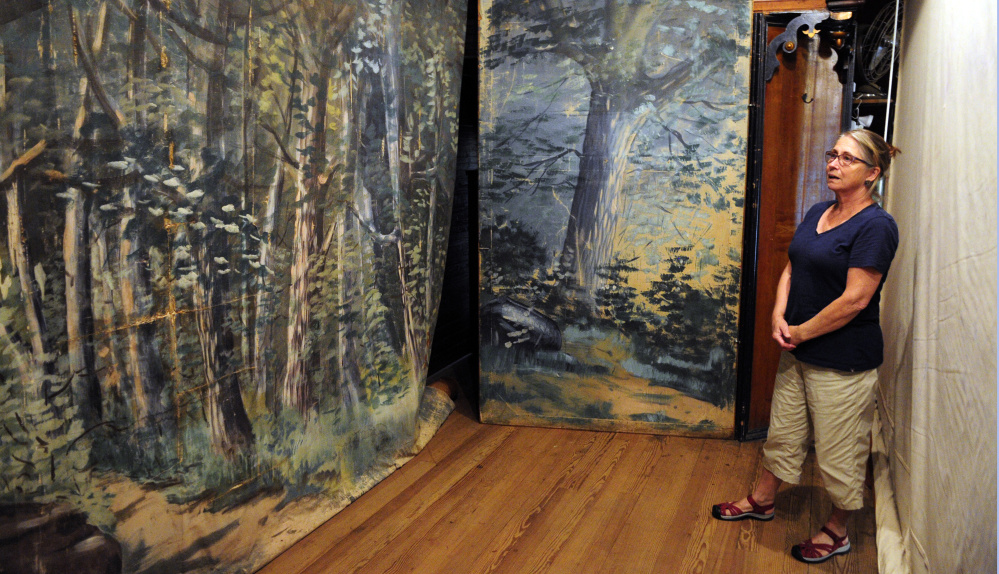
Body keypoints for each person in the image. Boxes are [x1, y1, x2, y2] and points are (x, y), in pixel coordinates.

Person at [711, 129, 900, 564]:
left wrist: (800, 331)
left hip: (843, 361)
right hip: (798, 350)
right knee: (785, 433)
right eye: (833, 154)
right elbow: (793, 267)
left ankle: (838, 530)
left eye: (847, 159)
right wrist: (779, 316)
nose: (833, 163)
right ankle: (762, 500)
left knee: (839, 450)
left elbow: (855, 299)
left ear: (872, 174)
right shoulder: (819, 210)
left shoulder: (876, 226)